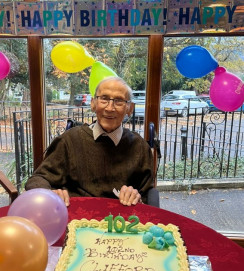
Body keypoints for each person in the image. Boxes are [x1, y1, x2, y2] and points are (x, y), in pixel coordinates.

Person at [25, 77, 156, 207]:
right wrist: (50, 194)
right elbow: (37, 179)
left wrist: (136, 197)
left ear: (130, 108)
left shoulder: (139, 147)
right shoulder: (69, 140)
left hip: (120, 223)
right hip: (75, 219)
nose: (110, 108)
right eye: (104, 98)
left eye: (119, 101)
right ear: (93, 103)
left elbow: (147, 197)